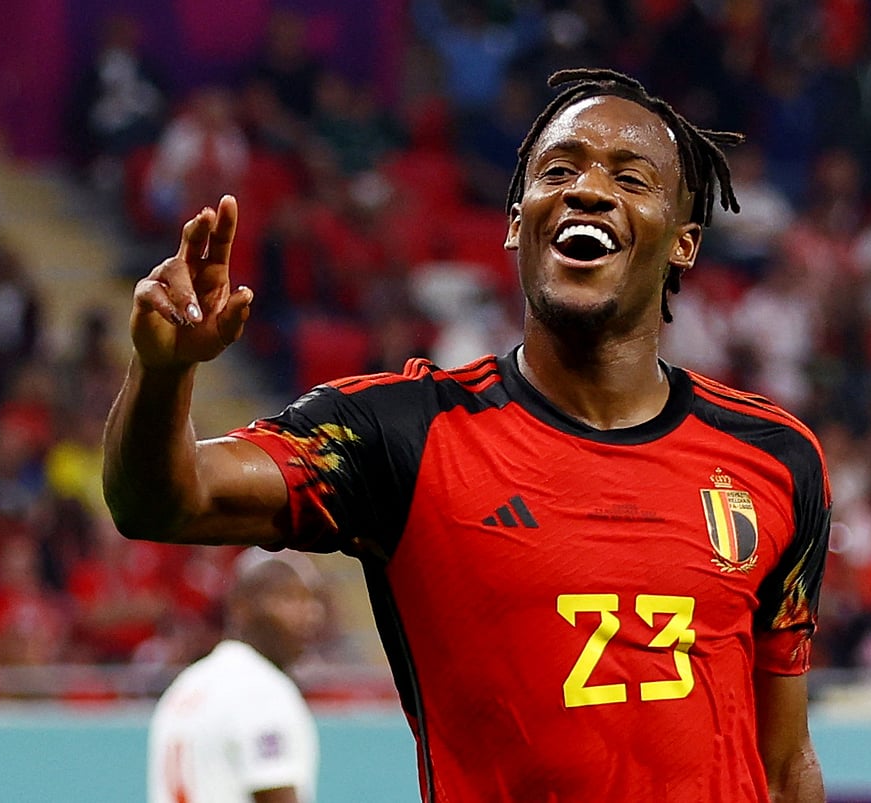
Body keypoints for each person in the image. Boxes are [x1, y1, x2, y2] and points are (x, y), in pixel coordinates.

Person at [105, 68, 831, 802]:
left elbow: (784, 763)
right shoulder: (403, 435)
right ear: (517, 223)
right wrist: (162, 372)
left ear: (683, 242)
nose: (587, 188)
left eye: (632, 178)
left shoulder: (773, 459)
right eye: (559, 169)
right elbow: (162, 502)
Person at [146, 548, 323, 803]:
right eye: (288, 598)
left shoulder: (186, 685)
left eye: (310, 600)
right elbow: (274, 792)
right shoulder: (262, 688)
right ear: (241, 606)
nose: (309, 614)